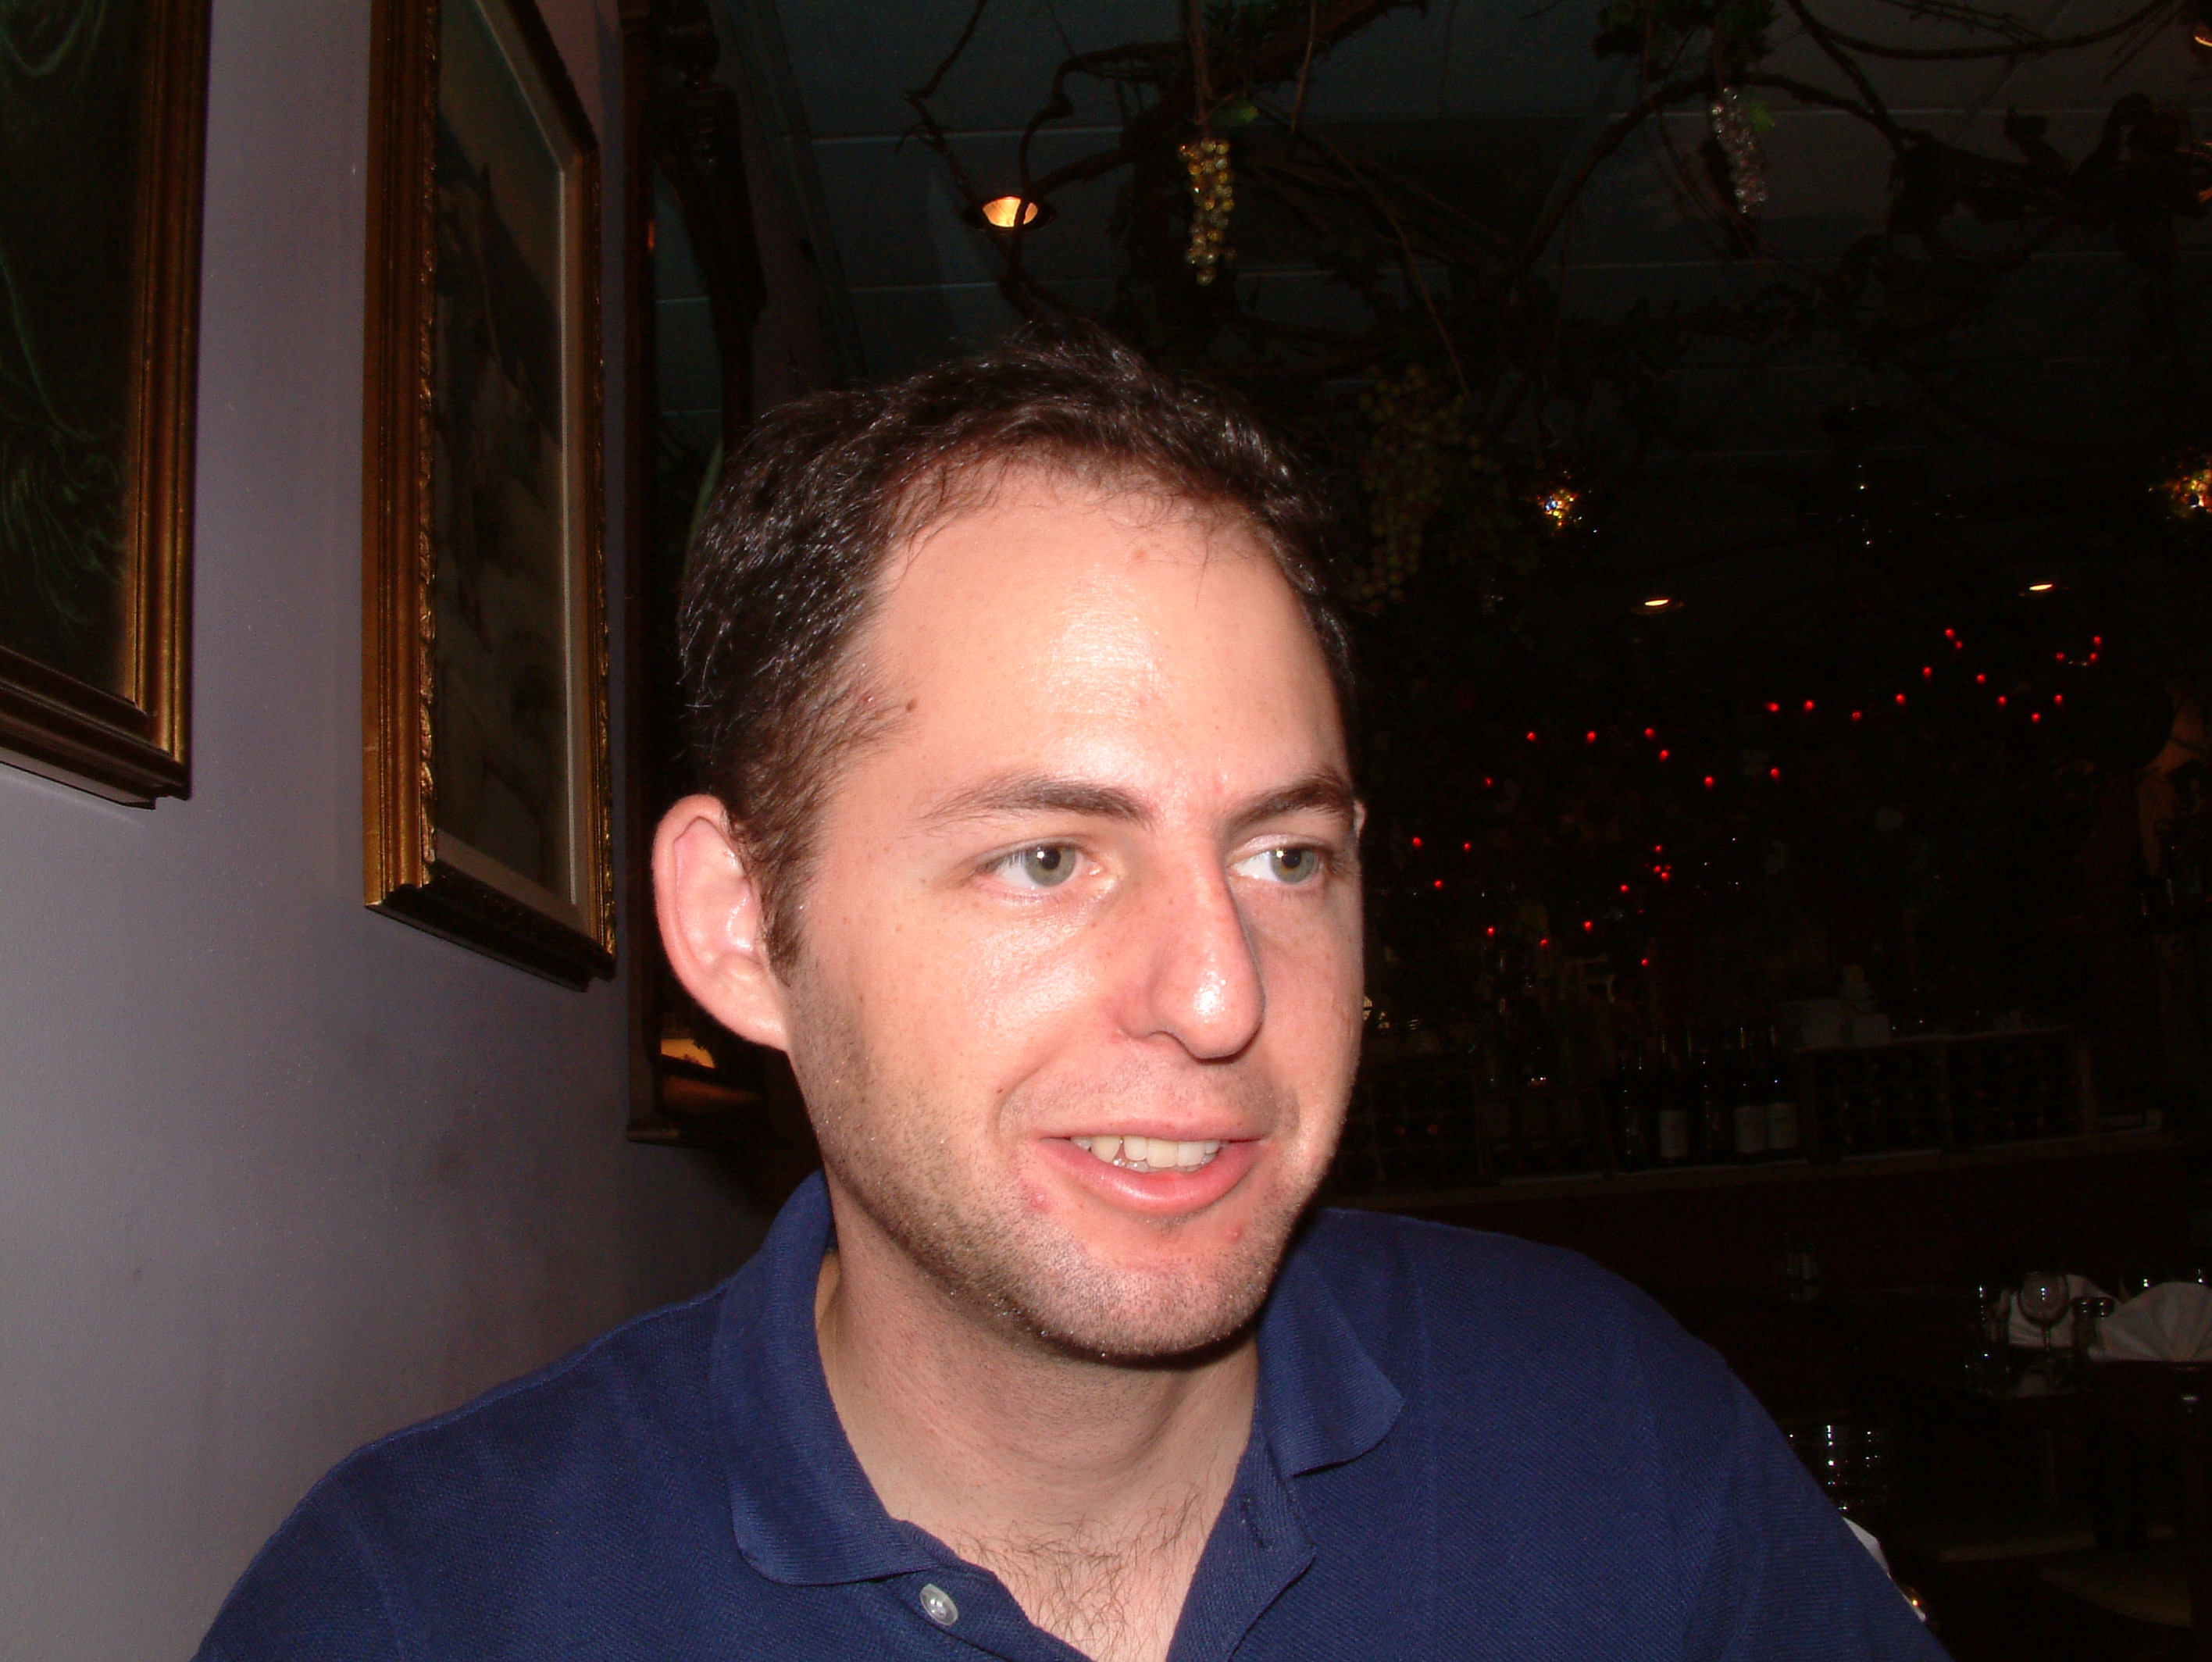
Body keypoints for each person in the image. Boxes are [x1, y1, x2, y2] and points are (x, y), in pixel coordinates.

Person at [198, 327, 1945, 1661]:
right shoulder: (422, 1605)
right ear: (740, 925)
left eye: (1286, 856)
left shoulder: (1612, 1435)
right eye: (1047, 856)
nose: (1220, 996)